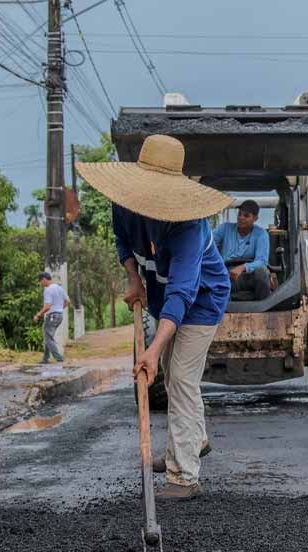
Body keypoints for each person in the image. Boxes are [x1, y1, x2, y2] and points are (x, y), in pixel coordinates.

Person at [80, 134, 231, 500]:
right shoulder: (124, 204)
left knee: (179, 376)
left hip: (202, 301)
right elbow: (121, 240)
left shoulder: (188, 227)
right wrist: (134, 278)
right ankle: (193, 439)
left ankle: (184, 476)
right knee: (175, 375)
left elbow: (183, 293)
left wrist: (151, 348)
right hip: (162, 296)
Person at [213, 199, 271, 300]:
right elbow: (207, 243)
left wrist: (242, 267)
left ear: (255, 218)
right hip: (225, 275)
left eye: (246, 215)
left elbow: (262, 261)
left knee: (262, 272)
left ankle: (262, 308)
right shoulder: (225, 228)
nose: (241, 218)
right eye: (239, 214)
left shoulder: (261, 234)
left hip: (248, 276)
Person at [32, 272, 70, 364]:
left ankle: (59, 358)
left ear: (44, 279)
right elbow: (68, 301)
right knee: (48, 337)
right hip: (60, 316)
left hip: (52, 316)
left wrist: (38, 315)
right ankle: (45, 358)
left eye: (40, 281)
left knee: (48, 338)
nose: (40, 283)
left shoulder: (48, 289)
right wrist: (60, 309)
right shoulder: (59, 288)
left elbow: (47, 306)